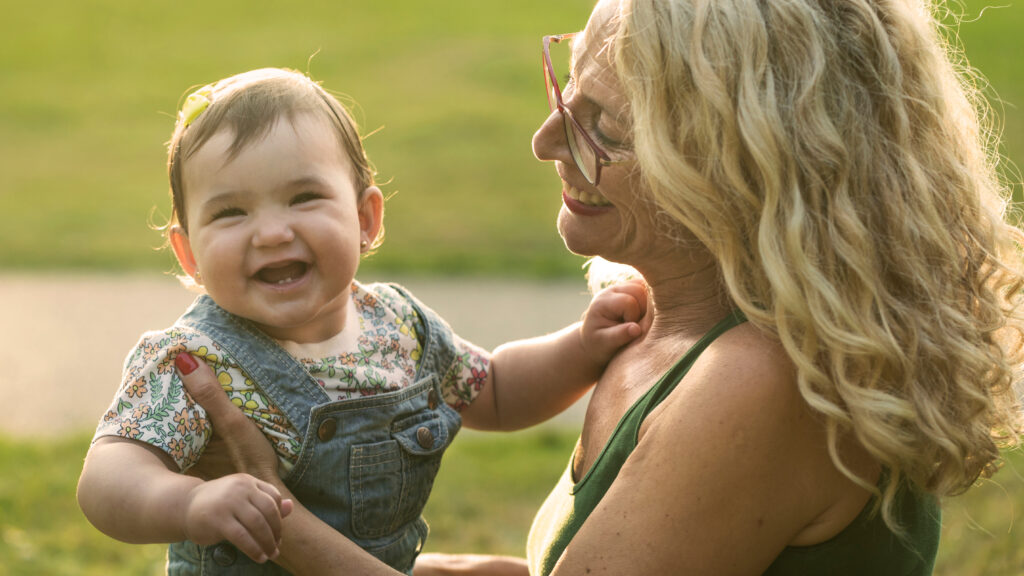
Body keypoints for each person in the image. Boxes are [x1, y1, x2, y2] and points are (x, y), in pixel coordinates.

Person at [175, 0, 1024, 573]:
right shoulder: (660, 320)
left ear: (737, 163)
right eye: (565, 93)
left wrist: (280, 526)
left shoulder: (756, 383)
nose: (546, 142)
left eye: (603, 128)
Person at [75, 67, 649, 575]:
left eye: (303, 197)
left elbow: (493, 389)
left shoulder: (397, 326)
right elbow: (108, 477)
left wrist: (581, 348)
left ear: (366, 218)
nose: (272, 231)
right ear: (190, 255)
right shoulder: (193, 360)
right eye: (231, 212)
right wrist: (187, 503)